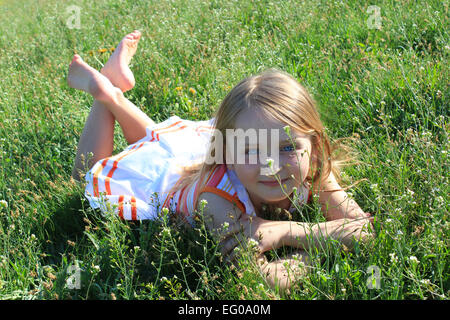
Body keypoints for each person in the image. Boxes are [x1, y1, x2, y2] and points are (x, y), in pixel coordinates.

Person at [69, 30, 374, 291]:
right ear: (227, 151)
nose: (271, 165)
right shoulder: (218, 202)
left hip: (196, 160)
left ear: (315, 146)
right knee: (87, 173)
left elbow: (367, 232)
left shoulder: (312, 167)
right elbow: (264, 280)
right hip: (169, 185)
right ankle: (103, 95)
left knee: (160, 143)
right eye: (253, 149)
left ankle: (114, 92)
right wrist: (326, 245)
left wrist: (285, 232)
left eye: (286, 147)